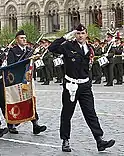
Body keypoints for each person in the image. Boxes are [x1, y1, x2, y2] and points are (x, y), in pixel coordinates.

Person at [48, 23, 115, 152]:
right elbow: (52, 48)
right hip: (71, 85)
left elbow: (88, 68)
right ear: (75, 34)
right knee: (67, 114)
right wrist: (66, 37)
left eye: (82, 33)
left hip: (84, 86)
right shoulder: (68, 46)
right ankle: (65, 140)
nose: (80, 36)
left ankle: (99, 140)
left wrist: (88, 83)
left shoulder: (89, 49)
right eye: (78, 33)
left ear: (86, 35)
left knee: (91, 113)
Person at [7, 30, 47, 134]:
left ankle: (35, 124)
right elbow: (10, 66)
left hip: (28, 79)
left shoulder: (30, 50)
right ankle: (12, 124)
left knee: (31, 101)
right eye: (21, 38)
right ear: (16, 40)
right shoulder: (13, 51)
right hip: (17, 81)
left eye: (25, 38)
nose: (24, 40)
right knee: (17, 102)